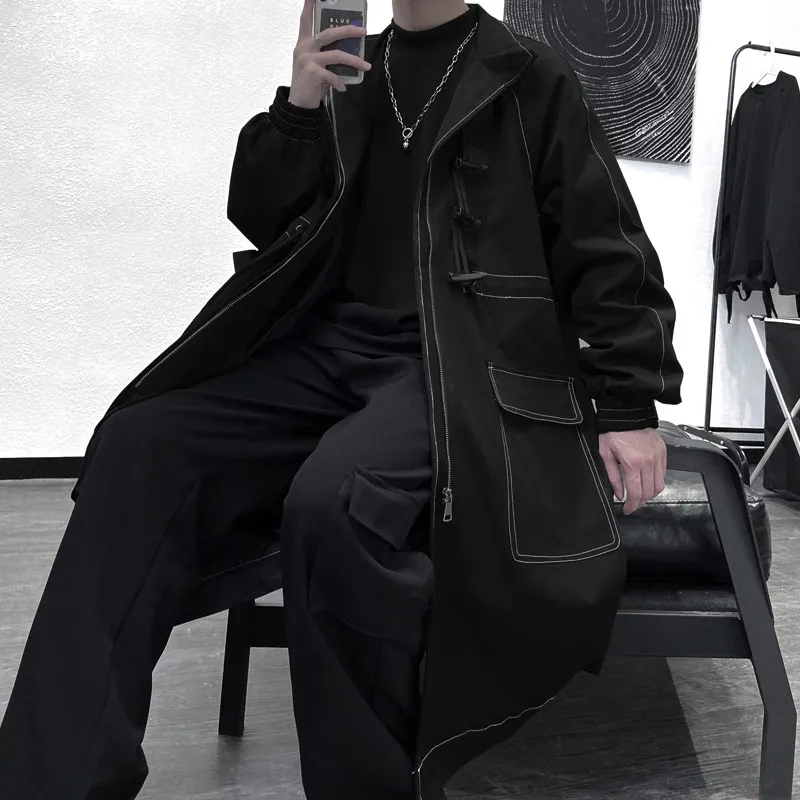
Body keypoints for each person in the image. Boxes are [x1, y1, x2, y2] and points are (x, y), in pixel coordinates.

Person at [0, 1, 684, 798]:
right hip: (325, 349)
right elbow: (264, 219)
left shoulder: (531, 77)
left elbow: (605, 246)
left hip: (456, 367)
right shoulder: (349, 70)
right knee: (140, 445)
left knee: (337, 502)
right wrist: (298, 105)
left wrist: (630, 403)